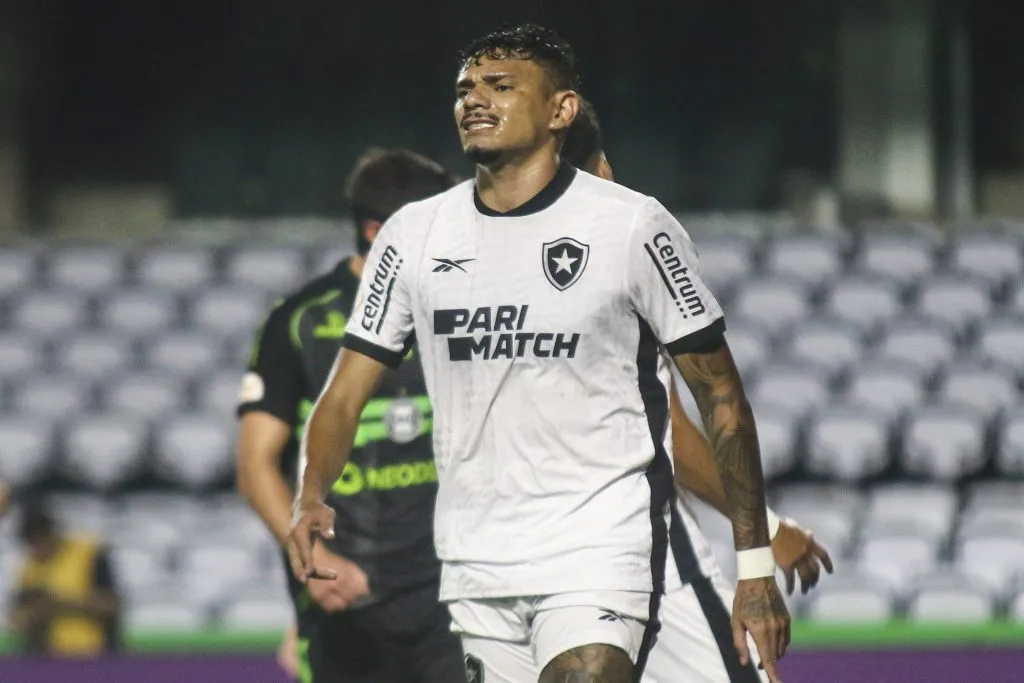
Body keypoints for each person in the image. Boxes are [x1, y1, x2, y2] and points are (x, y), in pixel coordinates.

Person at [290, 23, 790, 683]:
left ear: (561, 110)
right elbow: (344, 393)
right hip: (476, 560)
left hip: (598, 547)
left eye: (501, 86)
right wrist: (310, 493)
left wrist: (753, 565)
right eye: (466, 88)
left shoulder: (632, 225)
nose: (474, 100)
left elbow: (719, 393)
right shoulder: (414, 235)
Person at [562, 97, 834, 682]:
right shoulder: (617, 257)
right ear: (598, 171)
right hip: (636, 554)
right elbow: (670, 435)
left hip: (512, 564)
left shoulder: (476, 271)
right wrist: (766, 535)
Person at [235, 148, 465, 682]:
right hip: (347, 595)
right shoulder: (299, 319)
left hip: (454, 591)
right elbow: (254, 464)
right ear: (376, 229)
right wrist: (314, 558)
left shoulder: (463, 309)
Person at [9, 495, 122, 657]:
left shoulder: (89, 554)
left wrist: (60, 604)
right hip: (48, 658)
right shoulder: (29, 567)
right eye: (31, 542)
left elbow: (113, 606)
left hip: (95, 654)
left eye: (41, 540)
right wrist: (31, 615)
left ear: (52, 533)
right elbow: (17, 619)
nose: (38, 549)